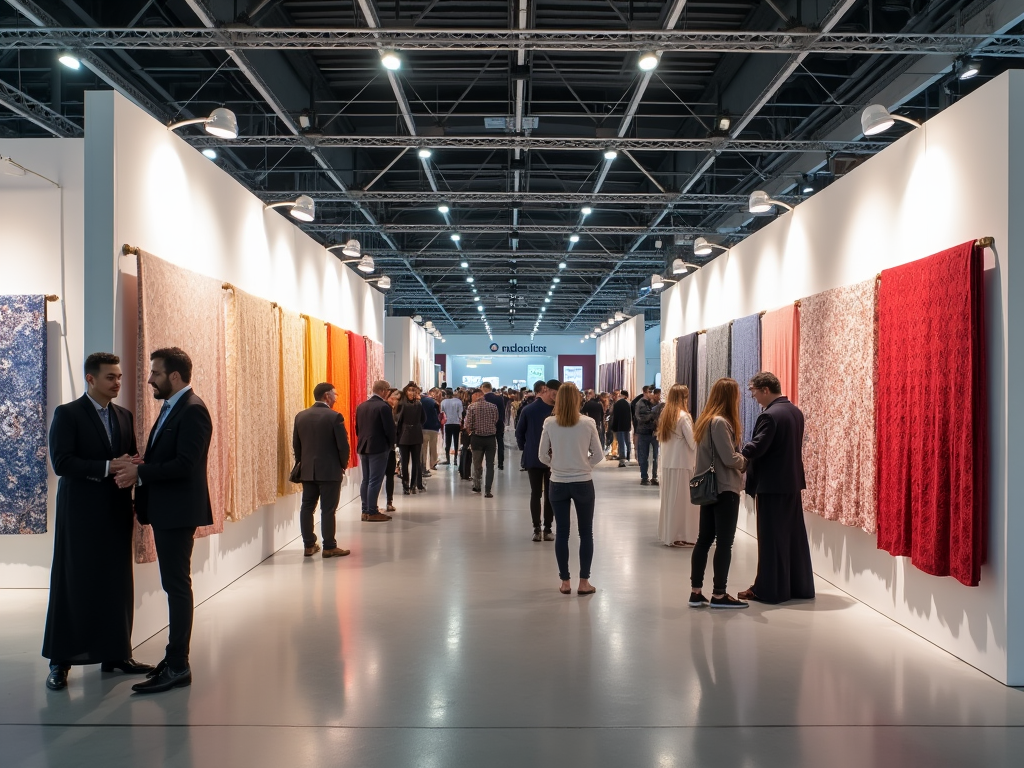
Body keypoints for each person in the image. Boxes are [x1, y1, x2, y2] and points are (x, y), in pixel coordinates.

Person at [42, 352, 154, 691]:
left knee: (116, 583)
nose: (117, 382)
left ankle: (116, 654)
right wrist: (108, 467)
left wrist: (132, 468)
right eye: (110, 377)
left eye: (119, 376)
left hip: (116, 510)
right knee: (73, 582)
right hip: (79, 513)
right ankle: (60, 661)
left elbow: (130, 456)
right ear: (90, 379)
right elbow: (62, 463)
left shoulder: (123, 415)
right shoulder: (68, 414)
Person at [115, 347, 212, 692]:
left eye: (155, 373)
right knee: (175, 585)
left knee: (177, 587)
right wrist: (140, 465)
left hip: (178, 512)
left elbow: (185, 465)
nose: (150, 379)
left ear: (174, 376)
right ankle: (172, 660)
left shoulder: (193, 411)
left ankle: (178, 666)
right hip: (168, 511)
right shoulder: (174, 408)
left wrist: (140, 474)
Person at [738, 372, 815, 604]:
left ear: (765, 389)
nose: (752, 396)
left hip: (772, 485)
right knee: (792, 536)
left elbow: (758, 447)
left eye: (753, 391)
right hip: (790, 482)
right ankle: (798, 587)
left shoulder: (770, 415)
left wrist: (737, 455)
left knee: (771, 538)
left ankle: (770, 590)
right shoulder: (795, 411)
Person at [688, 378, 749, 609]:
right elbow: (729, 458)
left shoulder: (704, 421)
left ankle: (696, 592)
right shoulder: (721, 422)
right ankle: (719, 594)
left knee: (704, 540)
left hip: (710, 488)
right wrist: (746, 461)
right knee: (724, 543)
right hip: (724, 488)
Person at [538, 382, 604, 596]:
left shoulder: (550, 422)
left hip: (557, 482)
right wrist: (586, 465)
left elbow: (542, 455)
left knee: (562, 533)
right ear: (577, 399)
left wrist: (555, 465)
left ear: (557, 399)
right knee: (586, 533)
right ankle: (584, 582)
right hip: (583, 482)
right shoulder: (588, 423)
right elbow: (598, 454)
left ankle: (565, 582)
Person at [291, 382, 351, 558]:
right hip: (330, 471)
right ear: (327, 396)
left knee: (307, 507)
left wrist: (303, 463)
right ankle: (329, 546)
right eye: (335, 394)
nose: (336, 397)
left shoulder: (301, 416)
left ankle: (309, 545)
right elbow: (343, 446)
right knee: (328, 509)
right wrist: (342, 464)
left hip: (308, 470)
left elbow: (297, 445)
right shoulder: (334, 417)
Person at [515, 378, 559, 542]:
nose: (555, 396)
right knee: (544, 494)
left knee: (541, 493)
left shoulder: (529, 409)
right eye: (554, 393)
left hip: (540, 457)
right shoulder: (552, 410)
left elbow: (519, 433)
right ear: (546, 390)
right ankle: (543, 528)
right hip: (547, 457)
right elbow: (519, 433)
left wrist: (526, 448)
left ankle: (541, 528)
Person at [656, 384, 698, 547]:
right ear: (683, 398)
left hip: (669, 464)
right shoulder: (683, 417)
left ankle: (671, 534)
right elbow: (693, 442)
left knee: (671, 502)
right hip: (683, 464)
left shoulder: (666, 415)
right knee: (684, 503)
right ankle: (682, 534)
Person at [354, 379, 396, 522]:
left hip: (363, 446)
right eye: (389, 391)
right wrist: (391, 445)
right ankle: (372, 511)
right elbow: (389, 429)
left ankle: (365, 510)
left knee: (366, 479)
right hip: (378, 447)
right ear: (384, 391)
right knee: (375, 480)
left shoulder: (361, 406)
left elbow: (357, 429)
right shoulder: (384, 407)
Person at [464, 388, 498, 497]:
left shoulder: (471, 407)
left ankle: (477, 486)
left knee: (477, 464)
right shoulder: (493, 407)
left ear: (477, 395)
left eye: (473, 396)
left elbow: (468, 424)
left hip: (476, 438)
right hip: (490, 439)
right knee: (490, 465)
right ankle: (488, 490)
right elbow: (495, 420)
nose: (471, 398)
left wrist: (472, 432)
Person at [395, 382, 426, 494]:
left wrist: (416, 425)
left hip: (415, 434)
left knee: (416, 461)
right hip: (405, 434)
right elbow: (398, 420)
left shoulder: (419, 404)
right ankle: (406, 485)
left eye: (413, 390)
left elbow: (423, 418)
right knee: (405, 462)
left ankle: (413, 485)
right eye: (409, 390)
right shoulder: (402, 404)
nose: (411, 392)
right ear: (405, 391)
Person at [635, 387, 661, 486]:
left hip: (654, 433)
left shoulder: (657, 405)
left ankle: (655, 477)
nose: (653, 394)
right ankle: (644, 477)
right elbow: (640, 418)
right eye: (650, 392)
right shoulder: (640, 404)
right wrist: (652, 414)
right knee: (644, 456)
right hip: (643, 433)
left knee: (655, 456)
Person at [481, 381, 507, 470]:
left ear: (484, 388)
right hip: (499, 423)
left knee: (488, 444)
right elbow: (503, 412)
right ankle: (501, 463)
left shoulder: (483, 398)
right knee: (500, 443)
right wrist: (502, 422)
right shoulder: (499, 398)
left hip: (487, 424)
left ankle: (489, 462)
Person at [384, 388, 401, 512]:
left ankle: (389, 501)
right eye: (394, 398)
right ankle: (370, 507)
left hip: (390, 448)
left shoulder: (395, 410)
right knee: (378, 477)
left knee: (389, 476)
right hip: (385, 448)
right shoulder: (385, 409)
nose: (395, 401)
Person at [420, 387, 441, 477]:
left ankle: (423, 466)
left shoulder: (420, 401)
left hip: (423, 427)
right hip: (433, 427)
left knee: (423, 449)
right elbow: (438, 414)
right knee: (433, 447)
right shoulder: (434, 402)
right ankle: (432, 464)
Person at [609, 389, 632, 466]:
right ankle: (628, 456)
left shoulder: (616, 404)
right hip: (626, 426)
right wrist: (630, 425)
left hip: (619, 426)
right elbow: (630, 416)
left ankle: (622, 458)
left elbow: (614, 416)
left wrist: (614, 427)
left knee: (621, 442)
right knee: (627, 441)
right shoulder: (628, 404)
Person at [440, 388, 463, 465]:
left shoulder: (443, 402)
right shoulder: (458, 401)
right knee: (456, 441)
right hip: (456, 423)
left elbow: (441, 412)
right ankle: (456, 459)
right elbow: (460, 413)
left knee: (448, 441)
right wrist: (460, 420)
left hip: (447, 423)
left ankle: (448, 459)